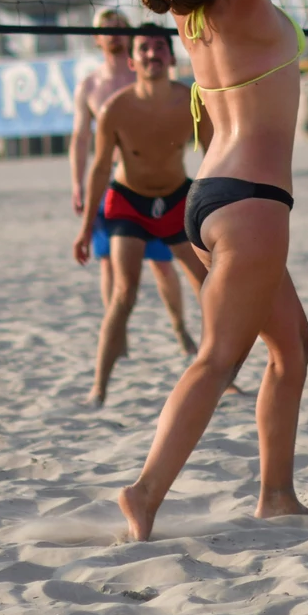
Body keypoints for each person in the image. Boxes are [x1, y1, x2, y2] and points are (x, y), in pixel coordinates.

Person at [69, 0, 308, 537]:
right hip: (250, 205)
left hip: (207, 199)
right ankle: (143, 493)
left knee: (291, 347)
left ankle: (275, 494)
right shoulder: (240, 0)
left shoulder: (188, 6)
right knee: (217, 360)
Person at [73, 27, 203, 403]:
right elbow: (99, 168)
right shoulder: (116, 108)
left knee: (208, 288)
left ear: (172, 57)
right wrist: (84, 230)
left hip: (178, 197)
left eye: (160, 47)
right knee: (124, 293)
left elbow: (215, 153)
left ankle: (219, 374)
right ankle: (99, 386)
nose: (152, 54)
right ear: (132, 62)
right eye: (143, 49)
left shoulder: (191, 101)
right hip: (128, 200)